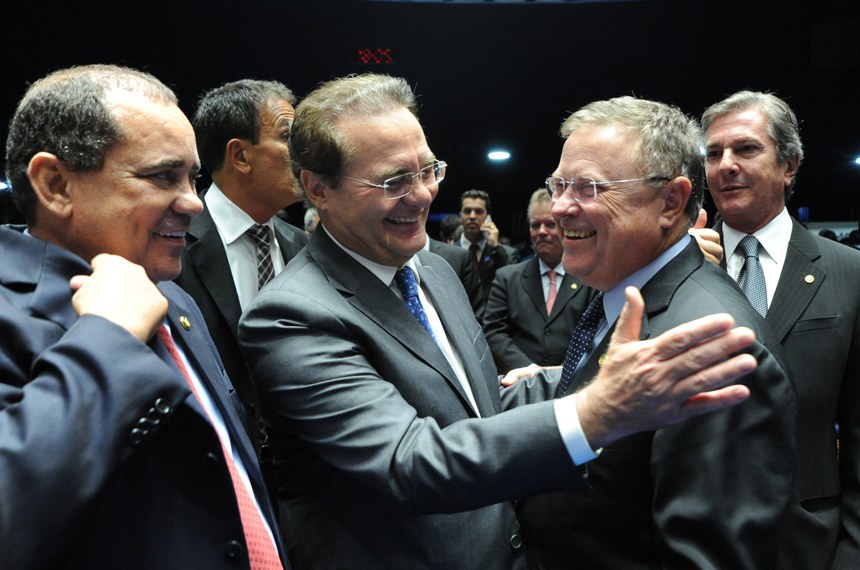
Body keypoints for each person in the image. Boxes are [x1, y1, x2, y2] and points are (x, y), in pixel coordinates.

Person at [237, 73, 759, 569]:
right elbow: (410, 460)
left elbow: (470, 403)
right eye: (394, 180)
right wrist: (596, 410)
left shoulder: (433, 272)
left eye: (428, 170)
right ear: (319, 189)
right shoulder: (290, 317)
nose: (423, 195)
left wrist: (575, 374)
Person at [2, 64, 286, 569]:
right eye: (162, 177)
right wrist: (107, 337)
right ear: (56, 184)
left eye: (193, 177)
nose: (194, 203)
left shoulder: (173, 297)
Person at [515, 96, 796, 570]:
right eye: (559, 185)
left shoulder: (711, 347)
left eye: (588, 187)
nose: (560, 207)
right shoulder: (624, 298)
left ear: (671, 201)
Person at [703, 90, 860, 569]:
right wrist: (674, 271)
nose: (726, 165)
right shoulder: (677, 268)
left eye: (746, 149)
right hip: (691, 538)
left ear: (789, 166)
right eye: (713, 154)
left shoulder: (847, 272)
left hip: (810, 538)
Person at [174, 79, 307, 421]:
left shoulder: (306, 247)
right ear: (240, 155)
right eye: (288, 137)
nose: (304, 152)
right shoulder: (172, 245)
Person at [483, 188, 593, 373]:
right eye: (535, 225)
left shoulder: (590, 279)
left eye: (550, 224)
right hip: (520, 381)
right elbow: (494, 333)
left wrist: (563, 372)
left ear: (565, 227)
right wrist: (532, 371)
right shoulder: (507, 278)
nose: (541, 232)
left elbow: (596, 332)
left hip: (575, 380)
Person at [459, 188, 518, 313]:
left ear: (488, 217)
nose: (472, 216)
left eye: (479, 211)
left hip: (492, 319)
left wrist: (495, 247)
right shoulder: (446, 253)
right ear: (460, 215)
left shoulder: (504, 253)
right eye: (467, 211)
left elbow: (514, 284)